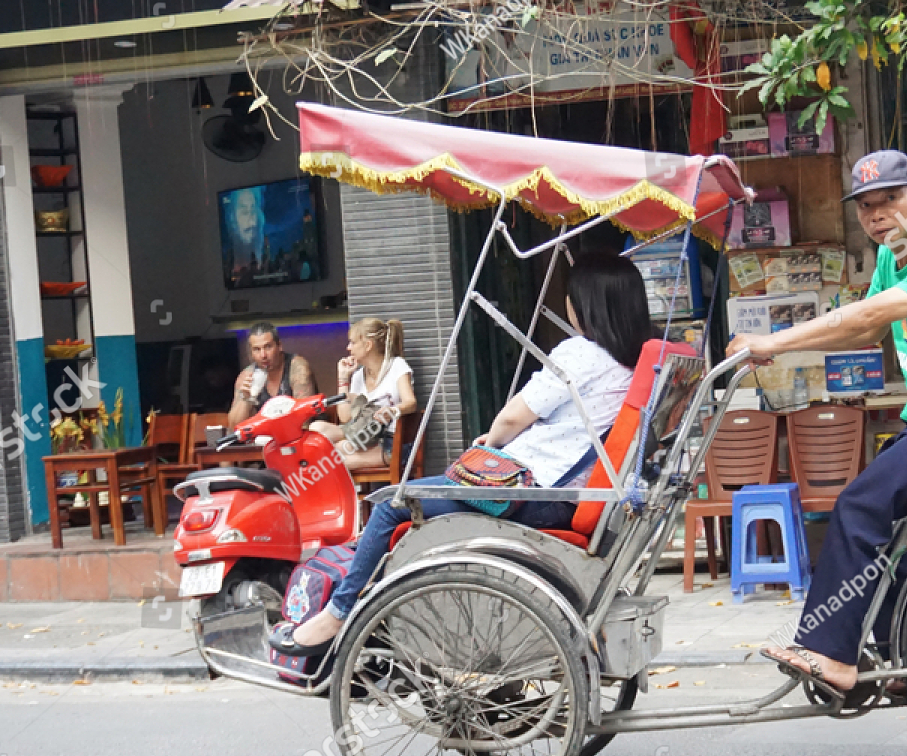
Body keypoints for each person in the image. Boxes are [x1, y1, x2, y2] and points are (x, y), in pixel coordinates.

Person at [727, 150, 907, 693]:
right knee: (881, 527)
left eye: (890, 200)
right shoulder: (893, 256)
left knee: (857, 506)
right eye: (866, 207)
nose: (878, 216)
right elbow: (861, 335)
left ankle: (830, 653)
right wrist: (775, 353)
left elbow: (867, 315)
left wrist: (774, 340)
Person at [272, 252, 655, 656]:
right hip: (565, 494)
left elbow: (510, 420)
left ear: (587, 304)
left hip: (530, 496)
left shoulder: (581, 354)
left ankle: (336, 616)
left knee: (388, 504)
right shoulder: (631, 365)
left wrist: (491, 441)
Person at [310, 318, 417, 472]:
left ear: (368, 345)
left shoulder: (397, 366)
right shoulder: (359, 375)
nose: (348, 348)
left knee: (331, 458)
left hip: (391, 443)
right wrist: (343, 378)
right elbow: (345, 417)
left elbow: (410, 402)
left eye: (352, 342)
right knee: (316, 428)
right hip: (361, 436)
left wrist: (392, 411)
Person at [228, 322, 318, 426]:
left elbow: (305, 418)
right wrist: (246, 399)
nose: (263, 355)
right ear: (251, 353)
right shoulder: (247, 375)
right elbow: (234, 427)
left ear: (279, 346)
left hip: (306, 434)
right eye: (257, 349)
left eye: (268, 347)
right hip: (268, 437)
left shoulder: (297, 367)